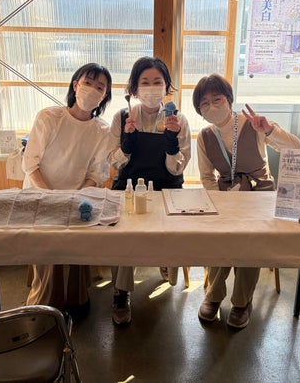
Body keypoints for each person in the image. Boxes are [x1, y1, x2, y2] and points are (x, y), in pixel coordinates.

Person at [192, 73, 300, 329]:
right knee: (217, 240)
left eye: (217, 99)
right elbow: (207, 177)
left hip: (259, 198)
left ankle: (242, 302)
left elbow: (296, 149)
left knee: (250, 242)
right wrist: (221, 204)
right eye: (204, 103)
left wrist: (269, 130)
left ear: (229, 99)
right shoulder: (205, 136)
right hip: (224, 199)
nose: (211, 106)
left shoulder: (254, 125)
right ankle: (213, 295)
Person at [22, 63, 113, 322]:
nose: (92, 90)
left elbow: (97, 172)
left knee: (77, 248)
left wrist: (77, 197)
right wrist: (51, 197)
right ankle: (44, 304)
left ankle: (77, 298)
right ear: (75, 85)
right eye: (88, 83)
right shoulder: (49, 117)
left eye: (100, 87)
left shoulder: (102, 130)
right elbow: (31, 164)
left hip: (78, 200)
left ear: (104, 96)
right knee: (48, 251)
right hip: (40, 197)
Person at [107, 56, 191, 324]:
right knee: (123, 237)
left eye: (157, 81)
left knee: (170, 232)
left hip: (167, 189)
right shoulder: (122, 117)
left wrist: (172, 144)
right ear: (134, 87)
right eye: (145, 82)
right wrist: (127, 145)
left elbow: (177, 170)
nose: (151, 87)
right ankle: (121, 292)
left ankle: (166, 261)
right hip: (129, 188)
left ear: (166, 86)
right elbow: (113, 162)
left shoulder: (178, 120)